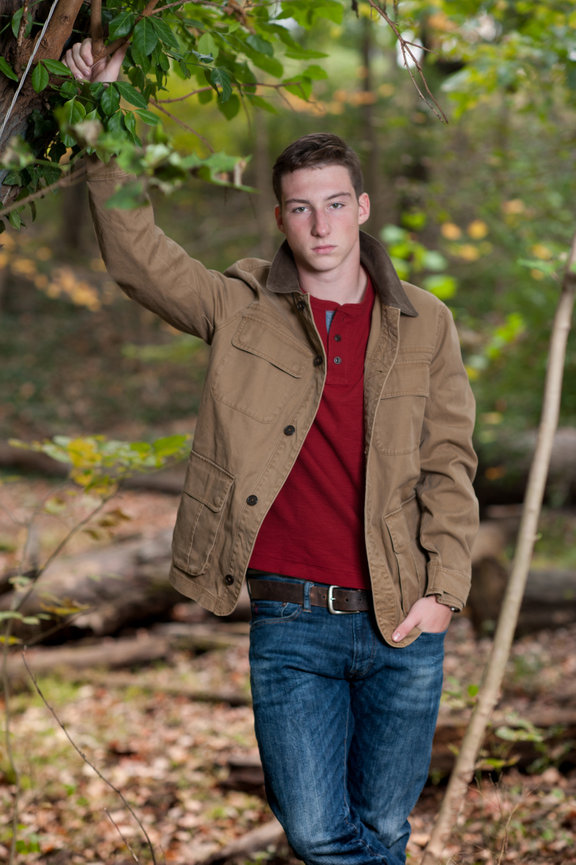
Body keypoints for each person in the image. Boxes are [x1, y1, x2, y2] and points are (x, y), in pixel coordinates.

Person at [65, 39, 479, 865]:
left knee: (387, 830)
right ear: (281, 217)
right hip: (291, 619)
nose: (319, 224)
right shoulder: (240, 306)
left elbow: (450, 460)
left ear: (362, 208)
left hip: (403, 617)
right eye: (300, 207)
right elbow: (137, 253)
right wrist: (103, 116)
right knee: (321, 833)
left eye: (334, 204)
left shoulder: (423, 320)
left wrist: (445, 590)